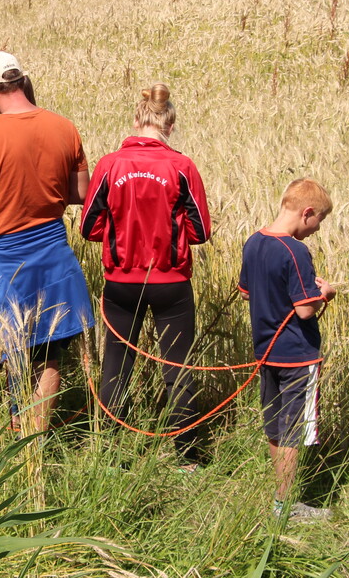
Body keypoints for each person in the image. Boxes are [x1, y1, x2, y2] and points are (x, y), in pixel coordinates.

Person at [0, 51, 94, 433]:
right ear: (21, 81)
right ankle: (33, 441)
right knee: (48, 352)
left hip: (2, 256)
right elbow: (80, 192)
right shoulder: (64, 127)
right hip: (52, 252)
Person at [80, 83, 211, 465]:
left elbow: (89, 227)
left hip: (121, 282)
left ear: (136, 119)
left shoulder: (109, 165)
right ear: (169, 126)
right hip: (171, 283)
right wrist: (170, 237)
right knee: (178, 367)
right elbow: (201, 231)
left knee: (116, 366)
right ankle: (187, 457)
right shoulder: (182, 166)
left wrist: (121, 235)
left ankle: (111, 453)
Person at [238, 178, 337, 521]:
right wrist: (326, 292)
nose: (316, 229)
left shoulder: (254, 241)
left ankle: (281, 500)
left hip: (266, 352)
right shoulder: (295, 251)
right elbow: (305, 309)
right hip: (298, 354)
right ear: (306, 213)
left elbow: (246, 292)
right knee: (294, 429)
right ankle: (286, 506)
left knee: (276, 425)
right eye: (318, 221)